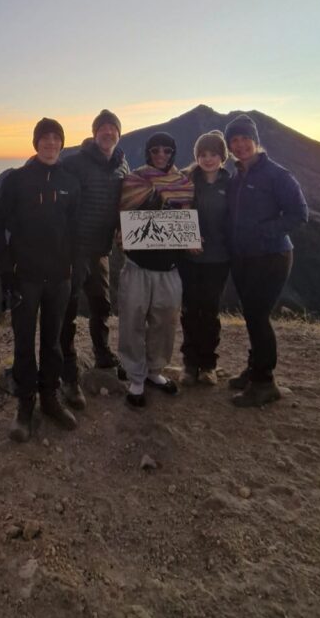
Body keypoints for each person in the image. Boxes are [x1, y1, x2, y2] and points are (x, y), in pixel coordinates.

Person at [0, 118, 81, 442]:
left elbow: (76, 229)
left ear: (62, 143)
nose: (50, 143)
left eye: (56, 138)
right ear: (35, 143)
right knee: (24, 342)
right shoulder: (17, 180)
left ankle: (50, 399)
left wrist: (74, 268)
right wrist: (5, 272)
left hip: (60, 277)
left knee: (53, 342)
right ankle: (25, 405)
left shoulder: (71, 181)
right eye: (45, 138)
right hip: (24, 277)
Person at [224, 113, 308, 407]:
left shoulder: (277, 175)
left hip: (272, 256)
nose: (240, 145)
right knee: (251, 314)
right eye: (234, 140)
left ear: (255, 141)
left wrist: (264, 231)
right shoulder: (236, 177)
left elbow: (299, 213)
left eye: (245, 138)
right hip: (244, 257)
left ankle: (265, 382)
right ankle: (254, 367)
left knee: (258, 316)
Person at [117, 132, 194, 407]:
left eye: (166, 150)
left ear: (173, 153)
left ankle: (154, 371)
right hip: (138, 264)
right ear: (148, 152)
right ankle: (135, 376)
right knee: (132, 320)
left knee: (165, 322)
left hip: (169, 267)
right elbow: (123, 217)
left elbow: (186, 219)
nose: (161, 155)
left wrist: (192, 238)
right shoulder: (134, 180)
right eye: (155, 150)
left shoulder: (184, 183)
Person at [59, 110, 129, 409]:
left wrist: (125, 230)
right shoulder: (74, 161)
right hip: (74, 249)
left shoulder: (122, 165)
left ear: (118, 134)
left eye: (112, 128)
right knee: (69, 308)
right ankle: (68, 368)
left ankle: (102, 353)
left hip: (101, 250)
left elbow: (127, 202)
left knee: (101, 304)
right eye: (103, 128)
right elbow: (53, 186)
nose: (108, 133)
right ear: (94, 132)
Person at [179, 130, 232, 386]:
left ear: (222, 157)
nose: (208, 159)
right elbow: (175, 214)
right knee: (189, 310)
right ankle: (190, 364)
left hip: (219, 259)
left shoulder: (231, 184)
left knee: (210, 311)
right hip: (188, 259)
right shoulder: (186, 181)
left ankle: (208, 365)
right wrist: (188, 238)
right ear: (196, 156)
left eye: (213, 154)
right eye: (203, 154)